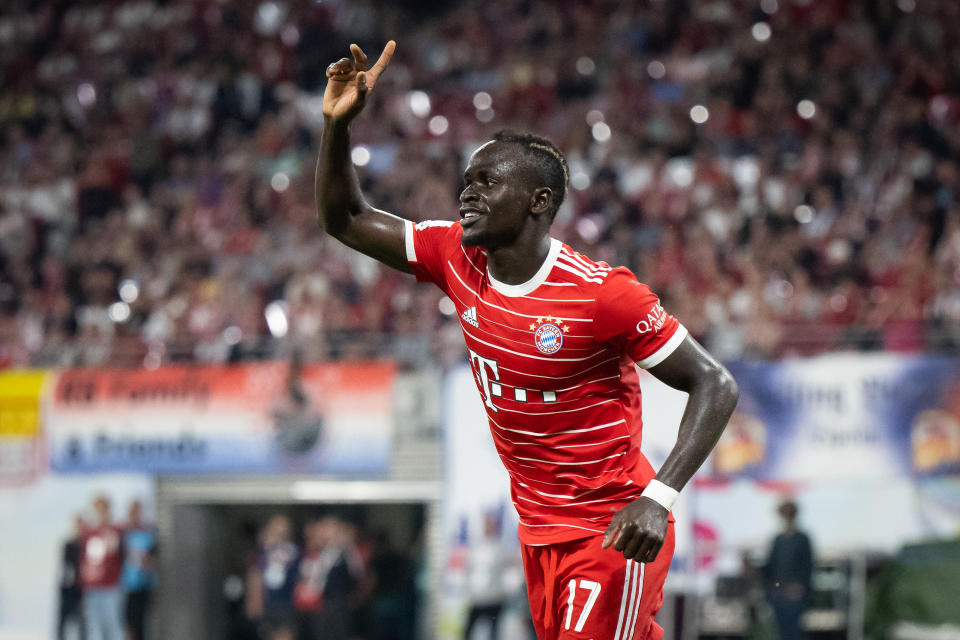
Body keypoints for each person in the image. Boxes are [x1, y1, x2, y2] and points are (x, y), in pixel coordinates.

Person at [315, 41, 739, 640]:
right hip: (537, 534)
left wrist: (660, 497)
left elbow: (714, 384)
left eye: (487, 182)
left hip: (610, 529)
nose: (468, 193)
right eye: (467, 181)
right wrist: (336, 127)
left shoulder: (602, 295)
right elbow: (346, 220)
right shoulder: (454, 255)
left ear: (539, 202)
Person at [764, 500, 814, 640]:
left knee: (794, 631)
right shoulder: (777, 539)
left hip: (794, 594)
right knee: (781, 631)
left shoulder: (802, 539)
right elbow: (771, 566)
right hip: (778, 593)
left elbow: (807, 566)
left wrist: (800, 587)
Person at [79, 495, 125, 640]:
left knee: (112, 626)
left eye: (103, 509)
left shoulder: (115, 530)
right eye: (97, 509)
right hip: (92, 587)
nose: (100, 513)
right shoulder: (89, 532)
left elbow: (116, 552)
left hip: (110, 586)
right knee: (94, 628)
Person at [122, 500, 157, 640]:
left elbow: (154, 558)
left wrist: (147, 563)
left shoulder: (149, 535)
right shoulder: (124, 534)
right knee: (129, 624)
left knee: (142, 625)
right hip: (127, 586)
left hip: (143, 586)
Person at [58, 515, 86, 640]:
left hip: (82, 589)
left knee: (82, 622)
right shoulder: (68, 544)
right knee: (63, 621)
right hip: (68, 589)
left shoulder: (87, 545)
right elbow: (66, 567)